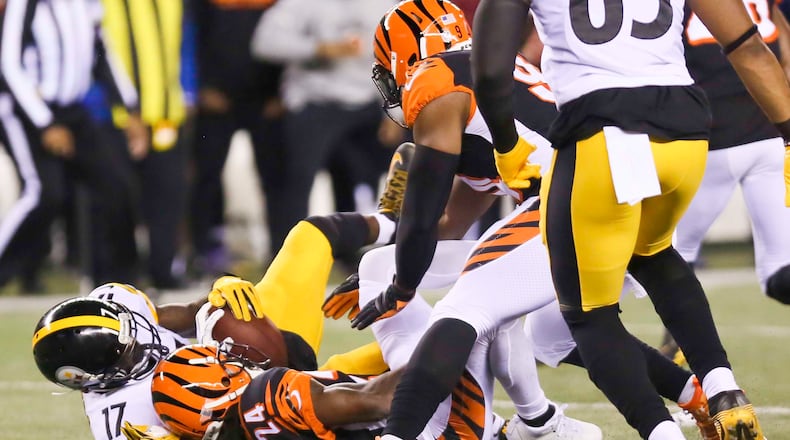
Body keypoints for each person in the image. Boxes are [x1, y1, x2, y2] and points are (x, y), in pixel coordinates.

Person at [343, 1, 718, 439]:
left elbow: (423, 222)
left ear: (406, 52)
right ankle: (695, 395)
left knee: (466, 307)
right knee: (551, 334)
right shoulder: (491, 81)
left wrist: (401, 285)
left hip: (574, 198)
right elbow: (450, 223)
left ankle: (408, 432)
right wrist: (393, 259)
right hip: (621, 191)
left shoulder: (438, 82)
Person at [470, 0, 790, 437]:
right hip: (685, 131)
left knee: (588, 315)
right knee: (655, 254)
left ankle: (663, 433)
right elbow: (749, 46)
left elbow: (489, 70)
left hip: (601, 130)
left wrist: (505, 146)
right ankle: (724, 389)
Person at [658, 0, 790, 360]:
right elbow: (782, 48)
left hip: (712, 139)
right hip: (770, 135)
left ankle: (677, 345)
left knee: (667, 256)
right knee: (781, 271)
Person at [0, 0, 147, 291]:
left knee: (116, 185)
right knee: (44, 193)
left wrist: (129, 106)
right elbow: (9, 65)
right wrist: (45, 122)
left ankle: (119, 285)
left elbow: (101, 51)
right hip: (24, 109)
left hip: (74, 110)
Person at [250, 0, 403, 258]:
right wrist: (318, 48)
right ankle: (287, 258)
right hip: (315, 100)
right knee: (297, 183)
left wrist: (394, 112)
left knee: (368, 180)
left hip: (365, 102)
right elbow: (264, 41)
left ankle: (358, 254)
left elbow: (394, 58)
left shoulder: (384, 4)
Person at [189, 0, 287, 273]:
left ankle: (282, 250)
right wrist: (200, 87)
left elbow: (288, 33)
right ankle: (205, 250)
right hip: (215, 98)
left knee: (275, 179)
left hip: (265, 100)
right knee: (207, 176)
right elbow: (189, 35)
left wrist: (281, 93)